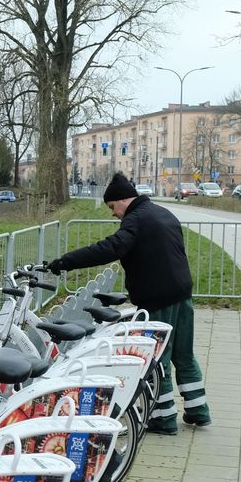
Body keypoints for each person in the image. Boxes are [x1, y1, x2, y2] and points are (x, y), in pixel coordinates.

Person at [48, 172, 210, 435]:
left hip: (157, 298)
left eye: (113, 207)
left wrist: (67, 261)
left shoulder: (135, 220)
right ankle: (198, 410)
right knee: (184, 354)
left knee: (157, 359)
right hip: (182, 294)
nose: (113, 213)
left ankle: (164, 418)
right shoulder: (163, 213)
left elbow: (110, 248)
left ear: (124, 199)